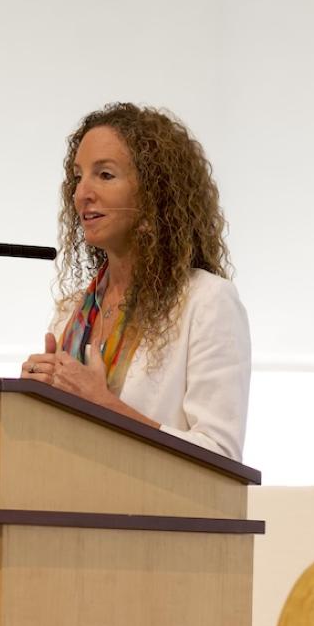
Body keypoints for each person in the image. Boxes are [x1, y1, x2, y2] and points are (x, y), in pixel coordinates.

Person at [22, 102, 250, 463]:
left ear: (154, 196)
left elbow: (220, 456)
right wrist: (32, 401)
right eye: (78, 176)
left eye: (105, 175)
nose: (82, 193)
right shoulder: (71, 313)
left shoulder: (206, 301)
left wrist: (105, 406)